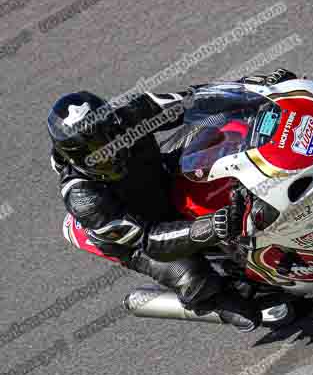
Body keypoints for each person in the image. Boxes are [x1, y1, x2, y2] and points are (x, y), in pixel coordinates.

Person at [48, 70, 298, 333]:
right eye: (101, 153)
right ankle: (217, 302)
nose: (114, 151)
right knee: (198, 281)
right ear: (78, 159)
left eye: (113, 136)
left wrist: (251, 88)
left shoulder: (130, 114)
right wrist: (210, 227)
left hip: (162, 175)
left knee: (224, 126)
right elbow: (149, 240)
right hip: (141, 234)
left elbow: (193, 101)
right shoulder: (84, 198)